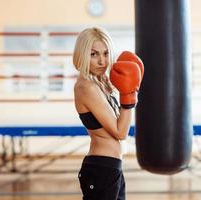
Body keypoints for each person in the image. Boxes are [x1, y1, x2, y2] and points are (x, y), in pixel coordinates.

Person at [73, 27, 144, 200]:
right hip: (101, 168)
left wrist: (130, 89)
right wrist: (128, 96)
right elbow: (120, 132)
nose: (102, 61)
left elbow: (119, 120)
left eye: (105, 53)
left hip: (111, 166)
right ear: (82, 55)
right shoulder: (86, 87)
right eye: (94, 54)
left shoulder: (101, 82)